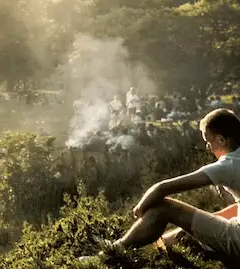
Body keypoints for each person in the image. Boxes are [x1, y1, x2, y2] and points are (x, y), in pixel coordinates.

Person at [81, 108, 240, 263]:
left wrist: (140, 209)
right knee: (182, 231)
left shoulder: (227, 165)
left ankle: (106, 256)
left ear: (221, 140)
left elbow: (162, 188)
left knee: (163, 209)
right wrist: (200, 223)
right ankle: (163, 245)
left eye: (208, 141)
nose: (208, 147)